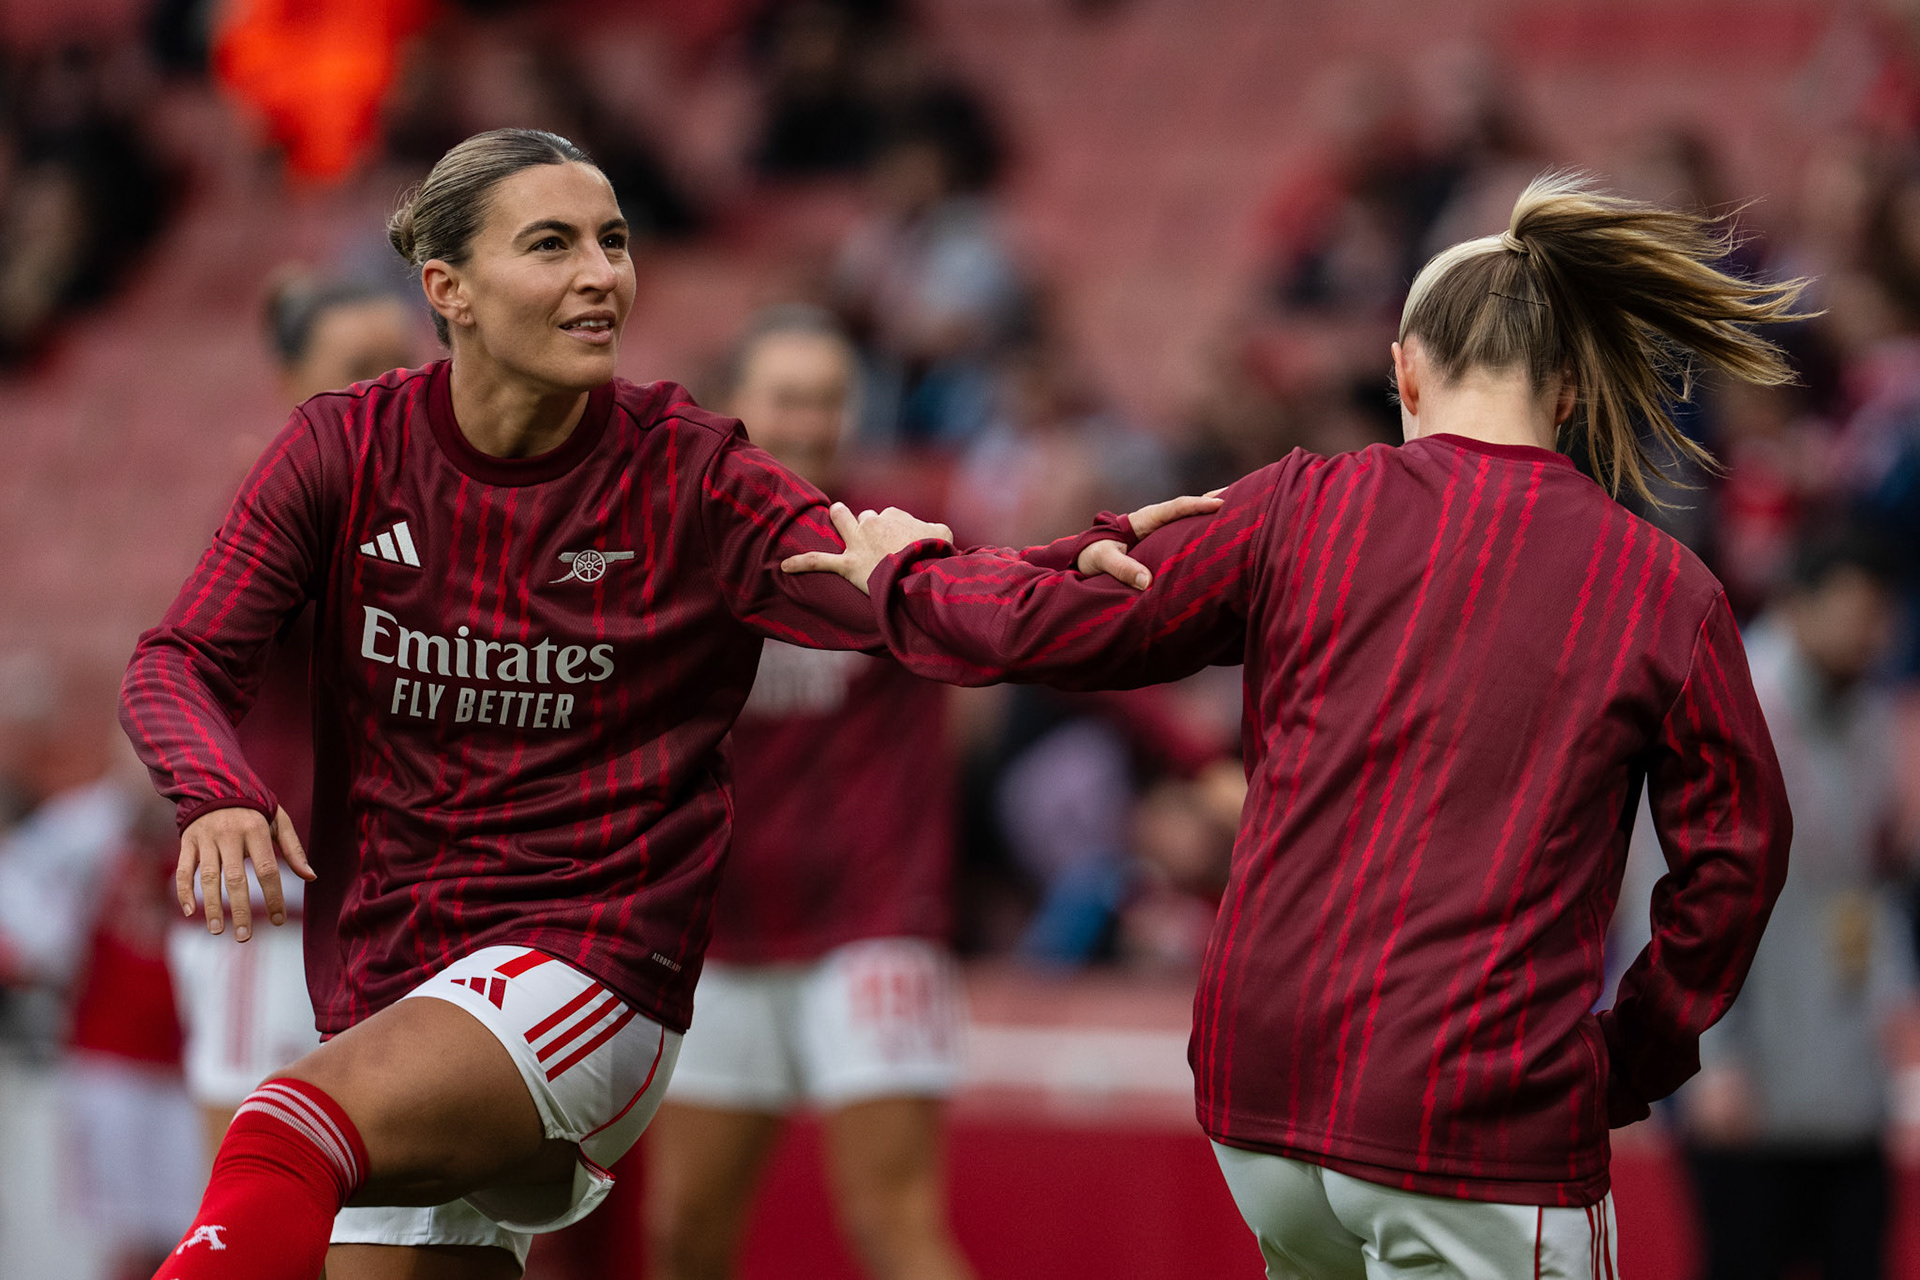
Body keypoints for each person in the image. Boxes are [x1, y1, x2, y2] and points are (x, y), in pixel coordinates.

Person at [121, 128, 1186, 1280]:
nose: (601, 273)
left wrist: (1076, 568)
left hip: (590, 959)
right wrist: (216, 789)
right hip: (393, 980)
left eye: (614, 240)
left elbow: (912, 595)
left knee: (283, 1124)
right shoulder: (343, 448)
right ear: (449, 289)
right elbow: (176, 658)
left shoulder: (689, 472)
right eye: (552, 244)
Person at [788, 173, 1801, 1277]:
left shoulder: (1299, 503)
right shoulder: (1661, 587)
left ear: (1404, 372)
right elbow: (1735, 864)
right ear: (1568, 394)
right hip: (1477, 1124)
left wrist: (910, 578)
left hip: (1262, 1101)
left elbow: (1066, 621)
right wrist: (1626, 1059)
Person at [646, 305, 974, 1280]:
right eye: (788, 396)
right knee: (682, 1235)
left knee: (892, 1224)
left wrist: (1187, 750)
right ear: (735, 406)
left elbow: (1025, 616)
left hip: (874, 926)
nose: (810, 420)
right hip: (719, 937)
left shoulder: (899, 540)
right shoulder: (676, 549)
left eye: (830, 399)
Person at [164, 270, 419, 1161]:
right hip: (272, 913)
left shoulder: (439, 502)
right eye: (356, 368)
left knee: (399, 1215)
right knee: (252, 1195)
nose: (385, 388)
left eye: (399, 363)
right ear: (287, 386)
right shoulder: (274, 508)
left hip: (401, 911)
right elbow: (179, 669)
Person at [1678, 530, 1913, 1280]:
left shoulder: (1870, 718)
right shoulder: (1731, 705)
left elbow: (1869, 887)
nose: (1870, 635)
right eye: (1853, 614)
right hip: (1747, 1086)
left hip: (1846, 1083)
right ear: (1797, 608)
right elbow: (1678, 886)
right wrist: (1710, 1062)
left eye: (1881, 618)